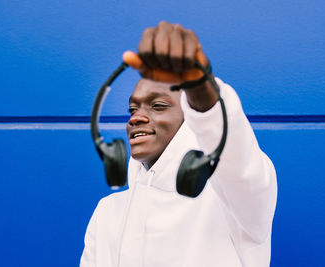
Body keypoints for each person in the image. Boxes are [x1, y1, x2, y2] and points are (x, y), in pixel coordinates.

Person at [80, 21, 277, 267]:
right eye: (132, 109)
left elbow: (241, 166)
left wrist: (200, 89)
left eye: (158, 106)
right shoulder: (108, 213)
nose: (136, 117)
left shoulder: (232, 202)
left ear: (191, 122)